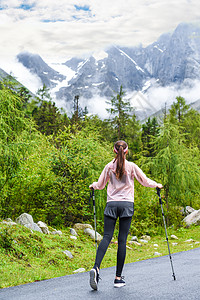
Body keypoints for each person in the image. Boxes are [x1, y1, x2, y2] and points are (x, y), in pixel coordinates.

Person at [89, 140, 163, 290]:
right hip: (127, 205)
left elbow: (101, 185)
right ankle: (118, 278)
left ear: (114, 151)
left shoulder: (109, 166)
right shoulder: (132, 167)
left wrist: (93, 186)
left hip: (111, 204)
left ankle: (96, 268)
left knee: (107, 237)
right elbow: (145, 181)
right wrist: (157, 185)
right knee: (122, 240)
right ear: (126, 151)